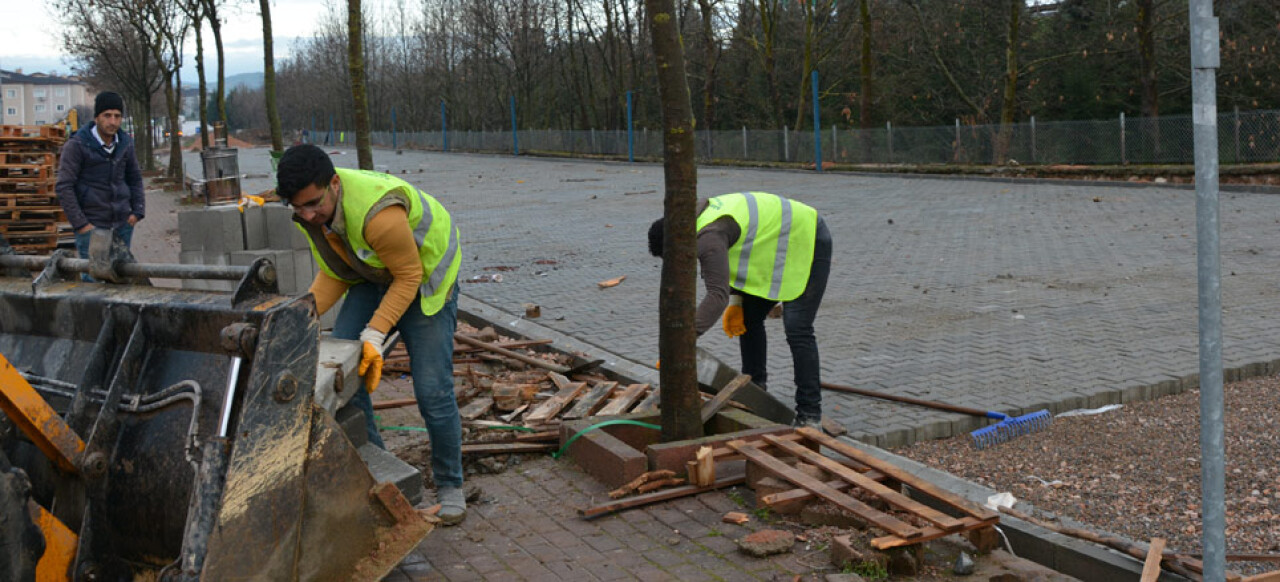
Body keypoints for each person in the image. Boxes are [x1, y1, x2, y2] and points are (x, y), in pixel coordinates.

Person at [275, 144, 466, 524]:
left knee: (432, 390)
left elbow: (409, 276)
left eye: (313, 204)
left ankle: (450, 487)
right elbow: (335, 270)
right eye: (298, 208)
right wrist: (299, 317)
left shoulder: (378, 215)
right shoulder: (313, 212)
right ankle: (382, 476)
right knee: (343, 377)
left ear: (333, 183)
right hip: (374, 273)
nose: (308, 215)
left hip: (425, 280)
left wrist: (375, 333)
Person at [648, 192, 833, 426]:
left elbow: (716, 295)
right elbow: (736, 260)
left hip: (808, 237)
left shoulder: (708, 238)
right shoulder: (690, 220)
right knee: (749, 319)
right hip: (778, 245)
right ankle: (755, 392)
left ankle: (809, 414)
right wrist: (738, 303)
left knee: (798, 328)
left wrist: (681, 341)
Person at [55, 91, 145, 260]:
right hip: (92, 226)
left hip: (123, 224)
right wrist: (81, 225)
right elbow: (64, 186)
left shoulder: (125, 144)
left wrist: (137, 212)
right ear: (96, 117)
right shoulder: (77, 146)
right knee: (93, 282)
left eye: (117, 116)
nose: (113, 121)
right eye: (107, 115)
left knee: (121, 279)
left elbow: (134, 177)